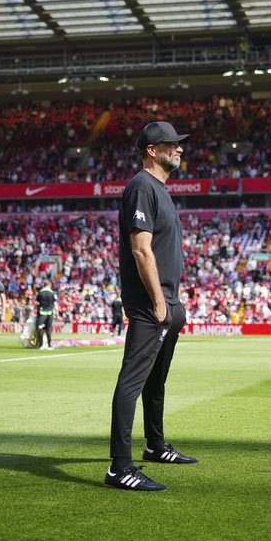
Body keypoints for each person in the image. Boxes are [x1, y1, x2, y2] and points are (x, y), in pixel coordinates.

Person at [106, 121, 197, 493]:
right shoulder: (142, 186)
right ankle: (120, 467)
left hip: (167, 303)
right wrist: (160, 301)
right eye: (172, 144)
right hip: (150, 304)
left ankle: (155, 446)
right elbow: (141, 249)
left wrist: (174, 303)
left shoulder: (159, 189)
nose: (180, 149)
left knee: (156, 381)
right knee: (133, 381)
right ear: (151, 149)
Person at [35, 280, 57, 350]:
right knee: (48, 329)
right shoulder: (52, 293)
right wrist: (57, 313)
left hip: (42, 312)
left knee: (40, 328)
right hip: (50, 312)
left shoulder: (40, 292)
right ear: (49, 285)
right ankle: (49, 345)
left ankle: (41, 345)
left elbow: (37, 303)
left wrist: (37, 311)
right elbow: (55, 303)